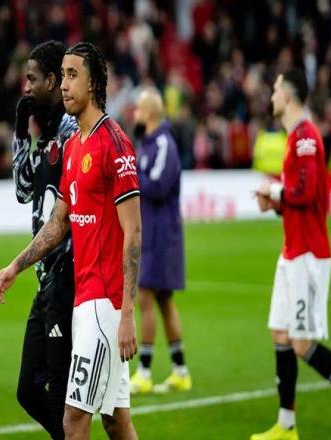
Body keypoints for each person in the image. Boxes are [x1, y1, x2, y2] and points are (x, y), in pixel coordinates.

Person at [0, 42, 140, 440]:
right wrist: (15, 266)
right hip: (82, 298)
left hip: (104, 303)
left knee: (73, 421)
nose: (64, 85)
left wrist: (127, 313)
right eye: (64, 76)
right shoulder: (74, 147)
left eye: (73, 75)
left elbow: (134, 232)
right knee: (117, 421)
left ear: (93, 84)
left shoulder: (115, 144)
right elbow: (58, 223)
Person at [252, 68, 331, 440]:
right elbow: (298, 200)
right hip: (291, 251)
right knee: (280, 333)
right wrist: (275, 204)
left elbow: (304, 192)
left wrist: (274, 192)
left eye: (275, 90)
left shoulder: (305, 138)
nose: (272, 96)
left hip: (308, 255)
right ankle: (287, 426)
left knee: (302, 344)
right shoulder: (295, 137)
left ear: (287, 95)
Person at [11, 40, 77, 440]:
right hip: (44, 280)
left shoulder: (71, 132)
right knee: (28, 390)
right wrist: (22, 133)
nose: (26, 88)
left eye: (32, 79)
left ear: (53, 81)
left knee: (57, 393)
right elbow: (22, 191)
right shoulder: (46, 132)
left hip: (68, 275)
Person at [129, 89, 191, 395]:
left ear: (150, 112)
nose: (135, 114)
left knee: (146, 297)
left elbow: (156, 185)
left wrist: (130, 175)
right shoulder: (148, 142)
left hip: (161, 236)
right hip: (152, 233)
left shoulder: (164, 143)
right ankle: (180, 370)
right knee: (164, 301)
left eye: (138, 109)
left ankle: (144, 372)